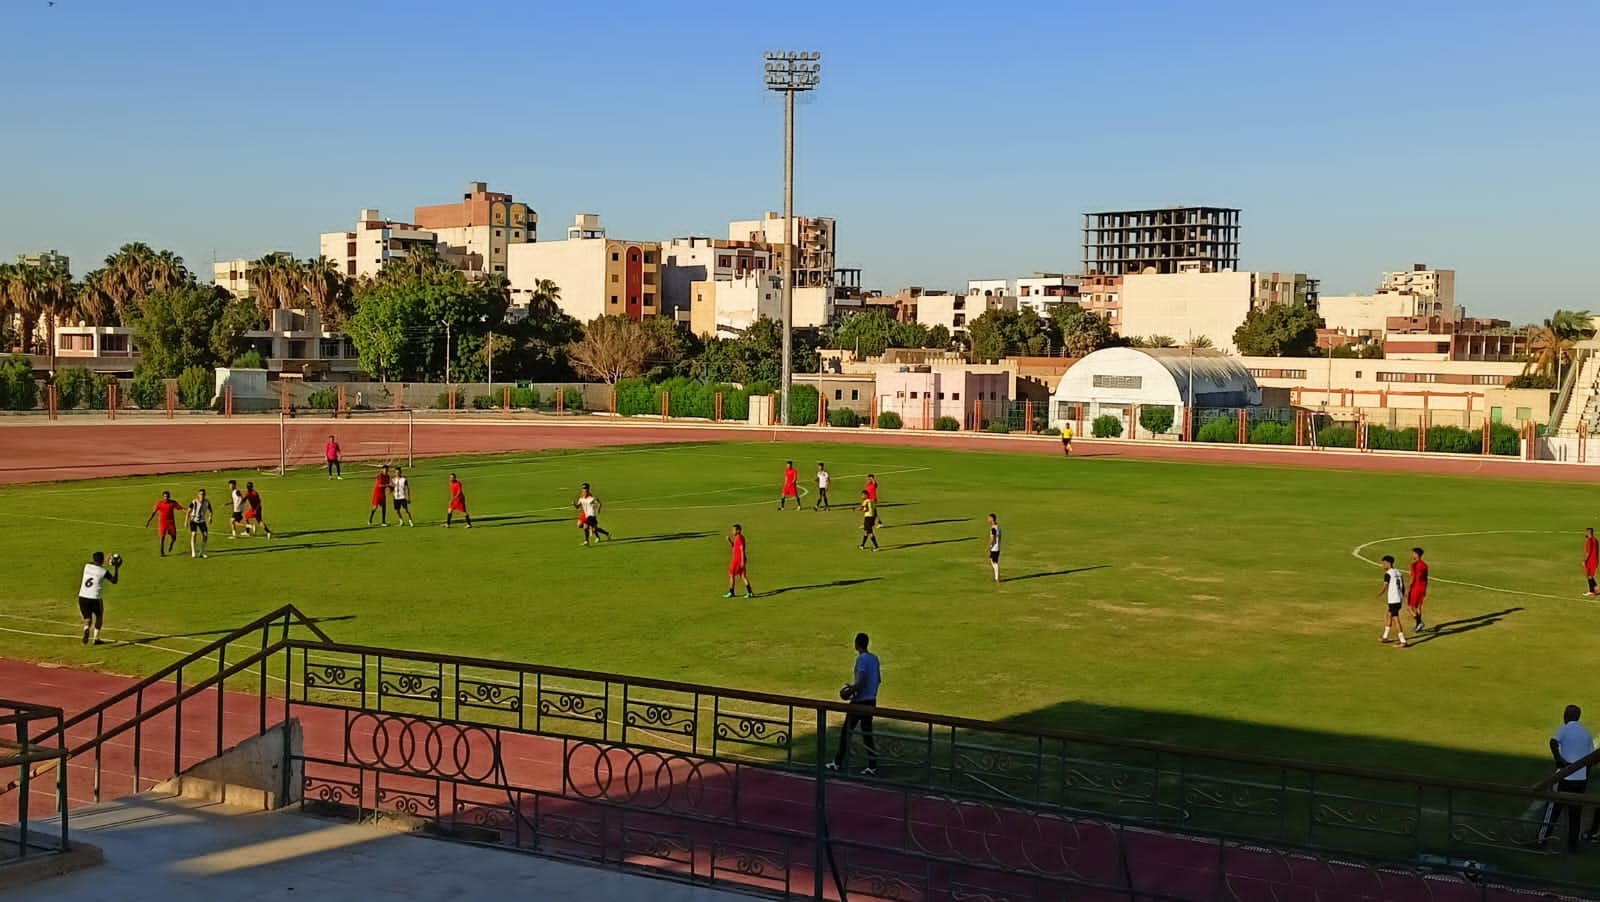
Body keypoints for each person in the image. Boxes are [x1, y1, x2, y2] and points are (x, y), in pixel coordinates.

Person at [1536, 705, 1593, 852]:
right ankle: (1572, 845)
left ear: (1566, 716)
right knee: (1575, 812)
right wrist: (1585, 770)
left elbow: (1553, 742)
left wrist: (1559, 760)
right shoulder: (1586, 732)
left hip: (1564, 777)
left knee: (1553, 809)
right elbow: (1592, 756)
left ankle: (1541, 840)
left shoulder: (1565, 728)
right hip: (1581, 779)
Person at [828, 632, 880, 776]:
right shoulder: (874, 659)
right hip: (871, 700)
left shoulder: (861, 659)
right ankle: (872, 765)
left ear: (856, 644)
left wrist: (850, 690)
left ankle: (837, 762)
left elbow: (862, 681)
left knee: (846, 731)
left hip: (859, 702)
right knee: (867, 733)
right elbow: (877, 680)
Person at [77, 550, 120, 646]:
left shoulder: (87, 566)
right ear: (101, 560)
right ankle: (96, 639)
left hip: (83, 596)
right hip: (95, 598)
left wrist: (104, 561)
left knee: (87, 618)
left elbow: (94, 564)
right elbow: (114, 580)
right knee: (99, 616)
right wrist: (116, 567)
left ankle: (86, 629)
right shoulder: (103, 572)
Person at [1376, 554, 1407, 648]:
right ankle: (1385, 636)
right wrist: (1402, 596)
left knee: (1395, 618)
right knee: (1389, 615)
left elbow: (1385, 587)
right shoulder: (1398, 572)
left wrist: (1379, 593)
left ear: (1388, 563)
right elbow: (1403, 586)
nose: (1382, 565)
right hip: (1398, 598)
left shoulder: (1388, 574)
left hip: (1393, 599)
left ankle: (1403, 641)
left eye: (1383, 563)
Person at [143, 490, 181, 557]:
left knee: (174, 537)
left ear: (169, 497)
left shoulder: (173, 503)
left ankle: (171, 544)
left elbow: (180, 508)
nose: (166, 498)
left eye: (167, 496)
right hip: (162, 523)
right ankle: (162, 552)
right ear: (163, 497)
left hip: (171, 522)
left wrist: (188, 512)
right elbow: (153, 513)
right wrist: (148, 521)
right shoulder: (159, 503)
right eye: (165, 496)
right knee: (162, 537)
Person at [724, 523, 753, 598]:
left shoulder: (739, 538)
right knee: (743, 576)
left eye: (734, 530)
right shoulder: (738, 537)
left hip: (737, 560)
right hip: (740, 560)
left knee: (731, 575)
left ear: (738, 530)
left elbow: (742, 549)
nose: (732, 531)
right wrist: (729, 540)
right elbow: (734, 546)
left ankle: (731, 592)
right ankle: (750, 593)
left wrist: (742, 561)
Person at [187, 488, 214, 559]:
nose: (202, 496)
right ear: (198, 495)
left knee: (205, 535)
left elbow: (211, 510)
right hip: (194, 520)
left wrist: (210, 517)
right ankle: (193, 552)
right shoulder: (194, 502)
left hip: (202, 521)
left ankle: (202, 552)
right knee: (194, 534)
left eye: (203, 494)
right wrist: (186, 521)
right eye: (201, 494)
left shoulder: (207, 502)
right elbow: (188, 511)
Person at [1408, 547, 1429, 633]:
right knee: (1418, 607)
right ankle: (1418, 626)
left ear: (1416, 554)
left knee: (1409, 608)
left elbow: (1413, 578)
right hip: (1423, 588)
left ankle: (1419, 622)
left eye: (1413, 553)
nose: (1412, 555)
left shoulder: (1414, 565)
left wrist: (1408, 588)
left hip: (1416, 588)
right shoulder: (1425, 565)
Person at [987, 513, 1002, 583]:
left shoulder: (993, 528)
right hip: (998, 547)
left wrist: (988, 547)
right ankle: (996, 577)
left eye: (989, 518)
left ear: (992, 519)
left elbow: (992, 539)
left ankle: (997, 578)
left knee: (994, 562)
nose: (988, 520)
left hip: (994, 548)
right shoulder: (998, 527)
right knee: (992, 560)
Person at [1584, 528, 1598, 597]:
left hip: (1590, 561)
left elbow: (1588, 552)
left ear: (1589, 532)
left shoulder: (1589, 541)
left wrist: (1585, 561)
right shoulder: (1595, 540)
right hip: (1595, 560)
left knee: (1589, 576)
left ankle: (1593, 591)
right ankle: (1594, 590)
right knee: (1590, 576)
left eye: (1586, 532)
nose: (1585, 533)